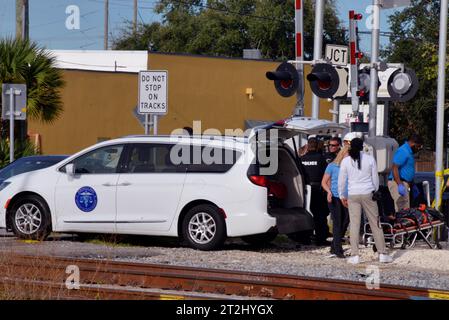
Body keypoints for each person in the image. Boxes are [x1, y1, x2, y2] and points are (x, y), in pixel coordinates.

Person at [338, 138, 393, 264]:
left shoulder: (346, 161)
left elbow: (342, 181)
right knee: (375, 223)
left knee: (355, 224)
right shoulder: (370, 159)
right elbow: (375, 178)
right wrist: (375, 190)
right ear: (362, 147)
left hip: (353, 194)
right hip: (368, 193)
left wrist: (342, 195)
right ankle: (382, 253)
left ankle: (355, 255)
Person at [321, 146, 349, 258]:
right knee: (337, 222)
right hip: (334, 197)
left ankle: (334, 246)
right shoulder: (332, 166)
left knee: (345, 221)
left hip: (346, 197)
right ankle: (338, 249)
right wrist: (328, 191)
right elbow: (324, 182)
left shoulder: (349, 166)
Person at [300, 138, 329, 245]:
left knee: (305, 213)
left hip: (305, 189)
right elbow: (326, 175)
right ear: (317, 146)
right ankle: (320, 239)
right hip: (318, 190)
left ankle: (305, 238)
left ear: (308, 145)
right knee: (320, 215)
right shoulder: (321, 158)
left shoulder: (302, 159)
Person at [388, 134, 423, 212]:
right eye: (418, 146)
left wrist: (412, 183)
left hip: (404, 183)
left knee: (406, 209)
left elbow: (406, 168)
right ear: (414, 143)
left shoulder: (409, 152)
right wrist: (400, 184)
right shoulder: (403, 151)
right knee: (401, 210)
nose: (418, 149)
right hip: (397, 183)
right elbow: (395, 167)